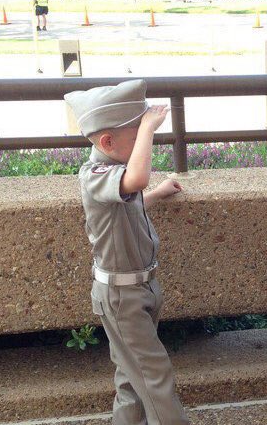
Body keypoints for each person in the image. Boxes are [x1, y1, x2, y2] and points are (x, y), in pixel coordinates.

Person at [65, 80, 191, 425]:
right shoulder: (95, 175)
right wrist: (149, 123)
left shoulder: (116, 181)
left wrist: (158, 193)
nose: (143, 144)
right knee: (155, 376)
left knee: (131, 379)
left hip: (139, 289)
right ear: (108, 142)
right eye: (136, 138)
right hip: (122, 296)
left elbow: (131, 201)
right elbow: (136, 180)